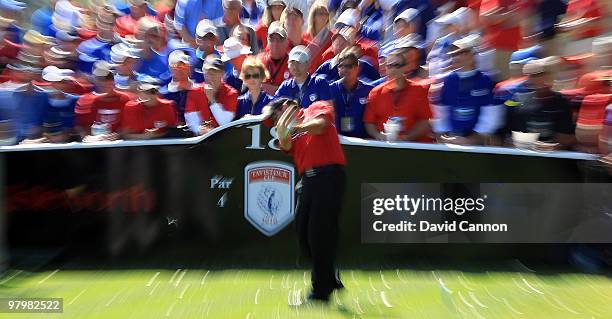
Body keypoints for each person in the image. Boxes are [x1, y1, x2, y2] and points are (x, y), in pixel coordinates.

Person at [261, 97, 346, 304]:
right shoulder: (290, 130)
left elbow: (321, 125)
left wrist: (294, 124)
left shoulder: (315, 108)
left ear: (285, 108)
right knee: (304, 234)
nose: (274, 122)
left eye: (275, 116)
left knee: (319, 234)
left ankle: (320, 292)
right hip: (308, 180)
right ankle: (328, 275)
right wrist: (283, 133)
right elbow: (287, 145)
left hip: (329, 176)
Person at [432, 34, 504, 145]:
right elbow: (442, 115)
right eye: (454, 54)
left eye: (461, 53)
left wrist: (471, 140)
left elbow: (492, 118)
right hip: (451, 141)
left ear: (473, 55)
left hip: (479, 145)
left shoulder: (487, 80)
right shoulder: (448, 80)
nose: (455, 57)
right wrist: (445, 136)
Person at [501, 59, 576, 150]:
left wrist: (552, 147)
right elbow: (507, 136)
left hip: (551, 157)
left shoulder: (561, 102)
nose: (538, 79)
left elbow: (566, 137)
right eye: (533, 76)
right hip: (522, 155)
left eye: (541, 75)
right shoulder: (515, 101)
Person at [364, 50, 432, 142]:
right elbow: (369, 122)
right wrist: (378, 135)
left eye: (397, 65)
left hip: (412, 146)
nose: (393, 69)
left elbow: (424, 121)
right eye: (390, 66)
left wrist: (407, 137)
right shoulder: (376, 92)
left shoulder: (419, 90)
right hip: (384, 145)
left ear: (405, 68)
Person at [184, 55, 238, 135]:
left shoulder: (231, 93)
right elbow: (191, 119)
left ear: (222, 74)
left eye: (215, 72)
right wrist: (199, 130)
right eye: (208, 72)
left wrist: (212, 100)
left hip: (224, 137)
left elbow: (224, 122)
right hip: (201, 139)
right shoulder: (195, 92)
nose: (211, 76)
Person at [329, 47, 374, 138]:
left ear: (357, 68)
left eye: (349, 66)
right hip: (339, 139)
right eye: (341, 66)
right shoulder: (330, 89)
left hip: (363, 141)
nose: (344, 69)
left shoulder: (369, 90)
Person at [160, 50, 196, 126]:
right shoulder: (163, 94)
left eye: (185, 66)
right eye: (177, 67)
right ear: (170, 68)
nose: (182, 70)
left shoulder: (199, 89)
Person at [257, 21, 289, 94]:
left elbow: (293, 90)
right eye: (272, 39)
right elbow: (252, 86)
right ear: (267, 40)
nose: (275, 43)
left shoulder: (293, 62)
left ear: (287, 41)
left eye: (279, 39)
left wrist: (266, 88)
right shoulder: (259, 61)